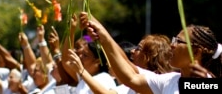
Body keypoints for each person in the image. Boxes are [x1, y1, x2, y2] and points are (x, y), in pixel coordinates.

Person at [79, 12, 222, 94]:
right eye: (174, 40)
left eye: (179, 42)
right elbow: (131, 78)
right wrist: (103, 35)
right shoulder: (170, 81)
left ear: (196, 52)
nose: (172, 45)